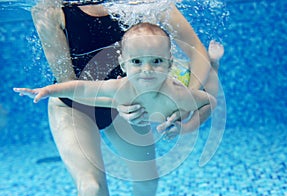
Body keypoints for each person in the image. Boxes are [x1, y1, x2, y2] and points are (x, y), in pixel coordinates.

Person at [28, 0, 221, 196]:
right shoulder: (49, 9)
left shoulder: (147, 3)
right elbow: (69, 84)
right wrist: (117, 101)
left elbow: (197, 54)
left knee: (148, 179)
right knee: (91, 188)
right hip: (74, 105)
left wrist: (184, 103)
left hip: (130, 102)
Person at [14, 22, 217, 127]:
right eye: (136, 62)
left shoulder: (177, 95)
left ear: (167, 63)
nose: (146, 69)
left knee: (203, 78)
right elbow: (81, 87)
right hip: (158, 82)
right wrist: (46, 90)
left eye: (156, 62)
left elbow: (210, 102)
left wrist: (187, 124)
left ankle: (213, 61)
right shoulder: (120, 86)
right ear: (123, 64)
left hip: (174, 79)